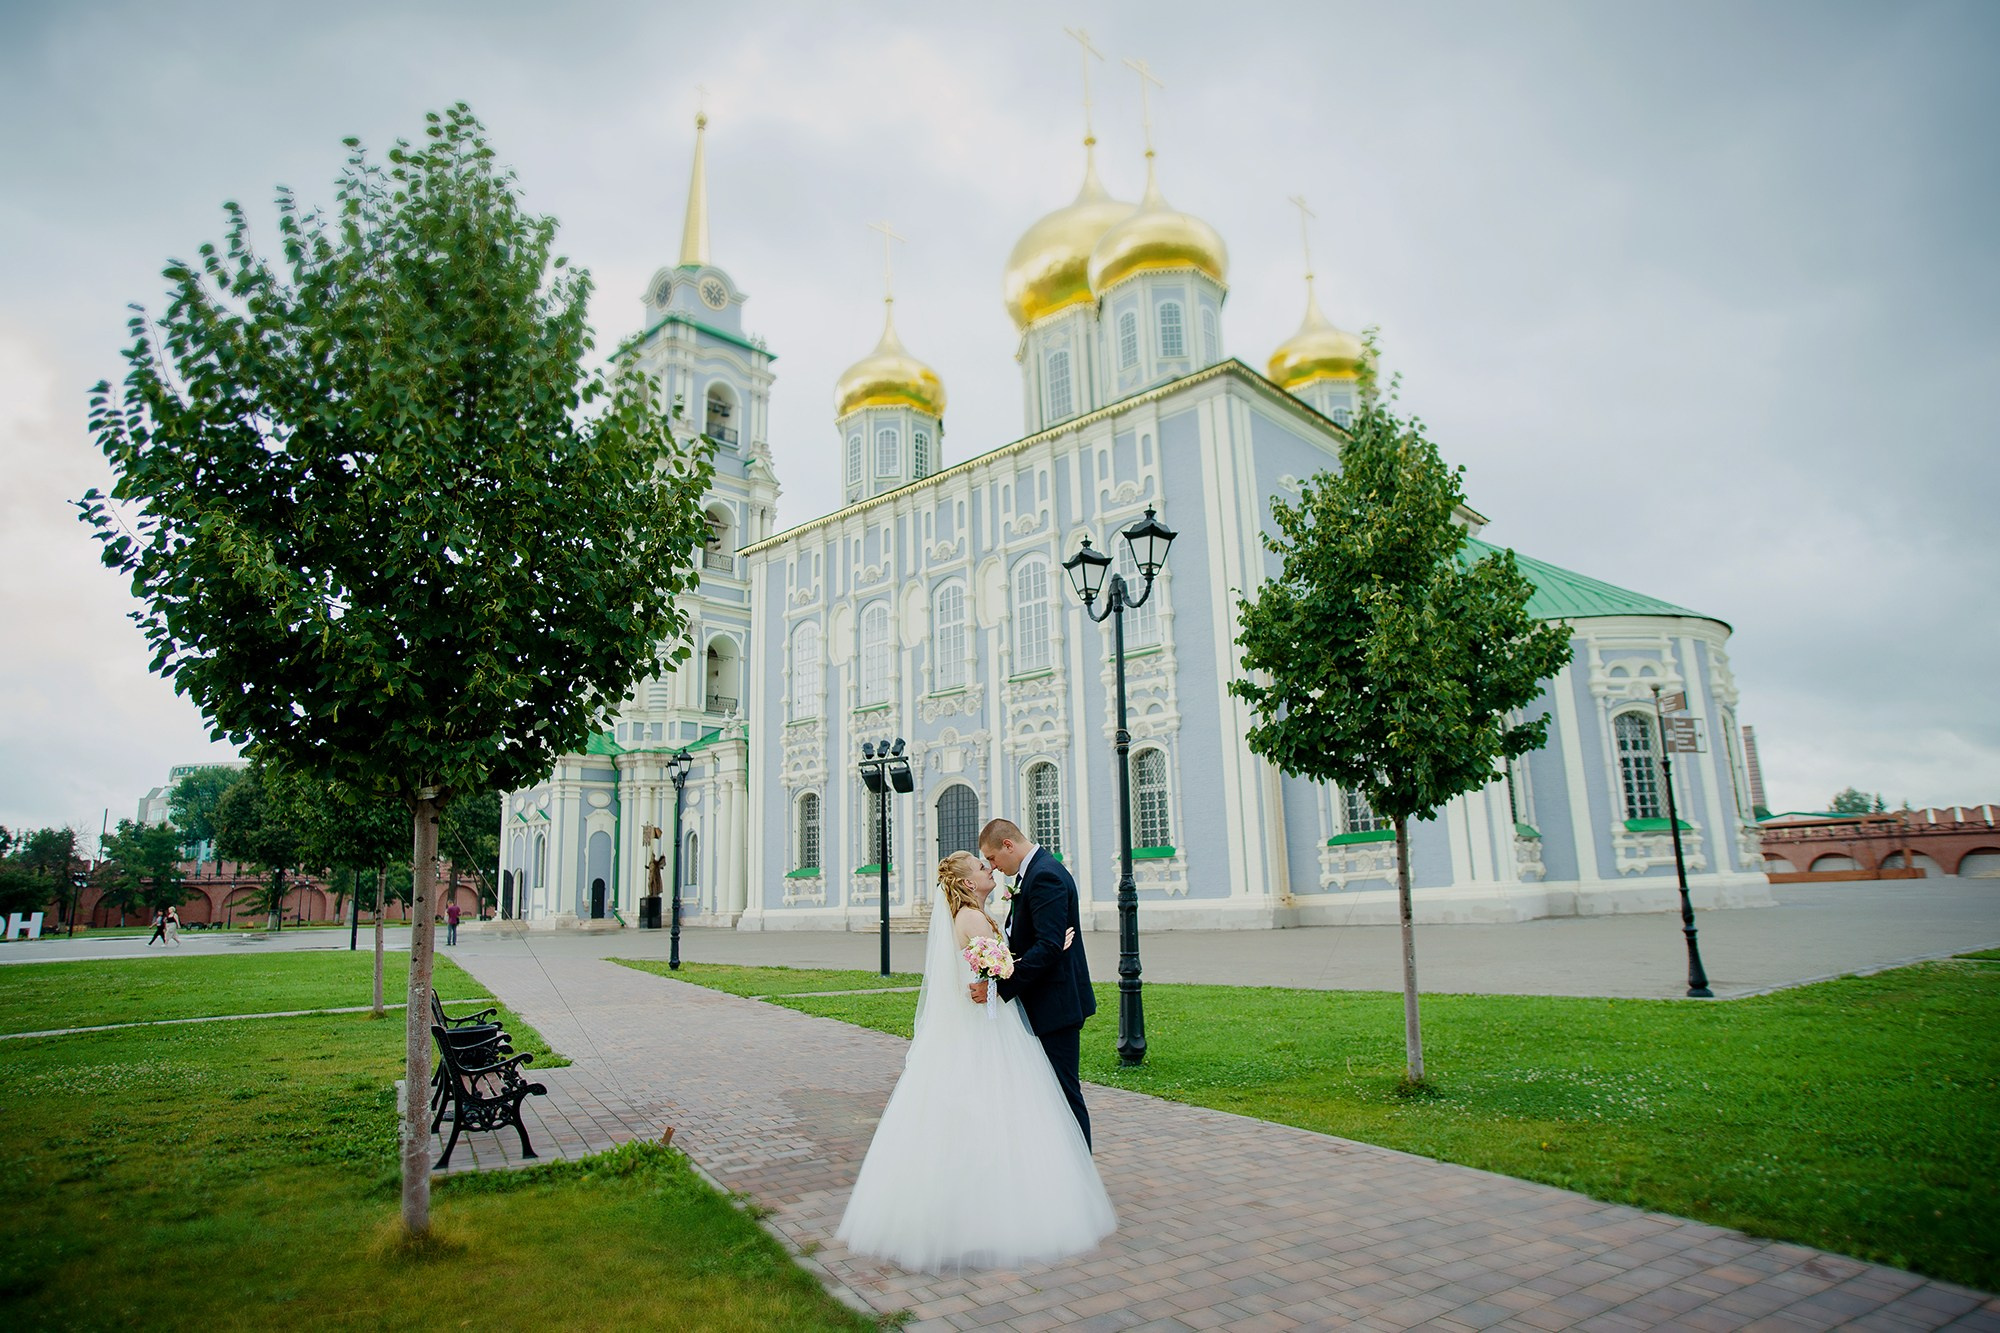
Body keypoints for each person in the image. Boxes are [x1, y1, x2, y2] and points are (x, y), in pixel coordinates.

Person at [836, 850, 1115, 1273]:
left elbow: (996, 969)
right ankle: (979, 1218)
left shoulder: (979, 913)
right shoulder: (970, 918)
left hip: (994, 1021)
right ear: (968, 883)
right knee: (987, 1110)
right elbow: (994, 973)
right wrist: (1048, 949)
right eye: (983, 868)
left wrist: (1034, 953)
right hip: (985, 1030)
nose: (991, 870)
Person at [970, 817, 1097, 1148]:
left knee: (1064, 1095)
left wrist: (999, 988)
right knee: (1050, 1094)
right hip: (1045, 1002)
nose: (993, 868)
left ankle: (1081, 1175)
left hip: (1055, 1005)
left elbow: (1049, 946)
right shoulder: (1035, 873)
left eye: (994, 858)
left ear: (1008, 845)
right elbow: (1040, 942)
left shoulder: (1044, 876)